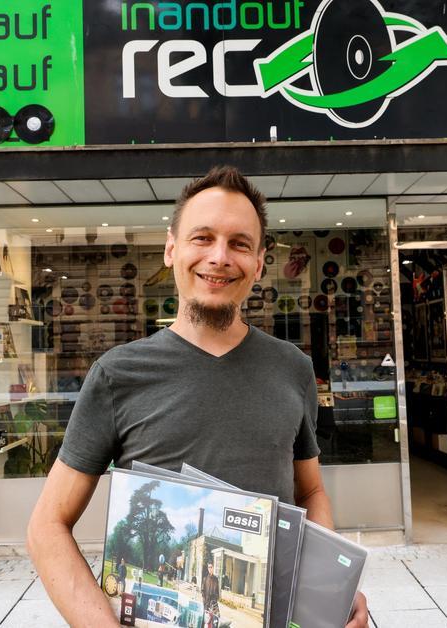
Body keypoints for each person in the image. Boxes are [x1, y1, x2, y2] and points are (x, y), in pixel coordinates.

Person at [27, 165, 369, 628]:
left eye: (239, 244)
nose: (219, 257)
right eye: (202, 238)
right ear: (172, 249)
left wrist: (329, 591)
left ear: (259, 263)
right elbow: (46, 527)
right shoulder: (117, 374)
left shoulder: (293, 367)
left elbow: (309, 490)